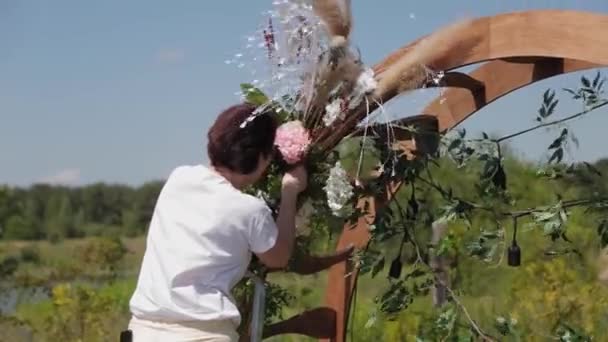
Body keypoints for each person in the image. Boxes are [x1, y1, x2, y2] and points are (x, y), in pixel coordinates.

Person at [127, 103, 307, 341]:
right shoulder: (249, 210)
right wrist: (290, 192)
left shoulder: (179, 178)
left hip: (144, 331)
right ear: (262, 158)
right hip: (201, 334)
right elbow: (279, 256)